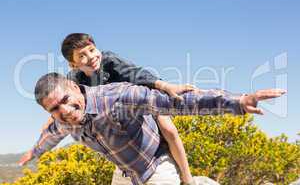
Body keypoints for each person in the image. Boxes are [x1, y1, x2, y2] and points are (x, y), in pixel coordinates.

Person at [19, 73, 285, 185]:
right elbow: (50, 135)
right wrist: (35, 151)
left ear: (75, 88)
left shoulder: (117, 98)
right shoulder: (62, 122)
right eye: (54, 108)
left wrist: (237, 102)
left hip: (156, 164)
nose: (64, 111)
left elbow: (178, 103)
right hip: (125, 173)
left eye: (65, 100)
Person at [30, 33, 197, 184]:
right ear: (73, 64)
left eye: (92, 50)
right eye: (82, 55)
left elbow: (136, 73)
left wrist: (166, 86)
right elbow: (63, 100)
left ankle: (187, 176)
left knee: (168, 129)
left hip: (142, 98)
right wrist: (51, 119)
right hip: (119, 116)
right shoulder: (74, 79)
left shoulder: (109, 60)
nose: (91, 57)